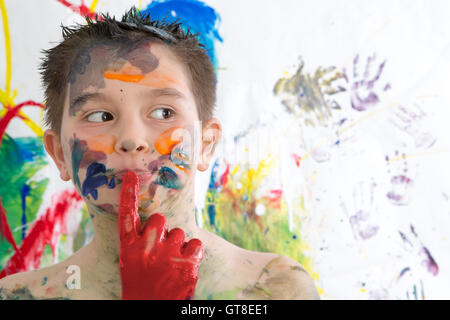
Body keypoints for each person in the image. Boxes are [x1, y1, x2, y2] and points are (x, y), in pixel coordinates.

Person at [0, 8, 319, 300]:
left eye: (164, 112)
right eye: (100, 116)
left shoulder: (273, 287)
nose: (131, 139)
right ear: (59, 153)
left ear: (205, 144)